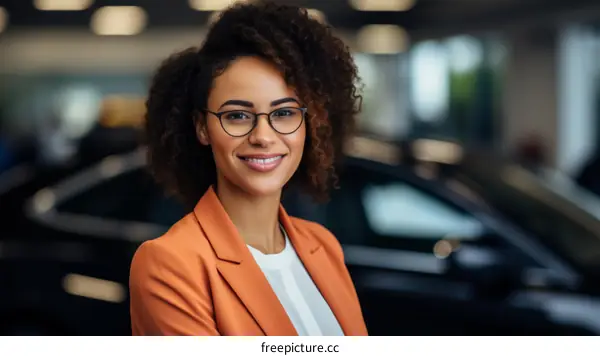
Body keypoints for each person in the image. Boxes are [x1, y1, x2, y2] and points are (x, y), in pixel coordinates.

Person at [129, 1, 368, 336]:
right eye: (237, 116)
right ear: (202, 128)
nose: (263, 137)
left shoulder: (323, 245)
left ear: (309, 123)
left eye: (284, 113)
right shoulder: (170, 264)